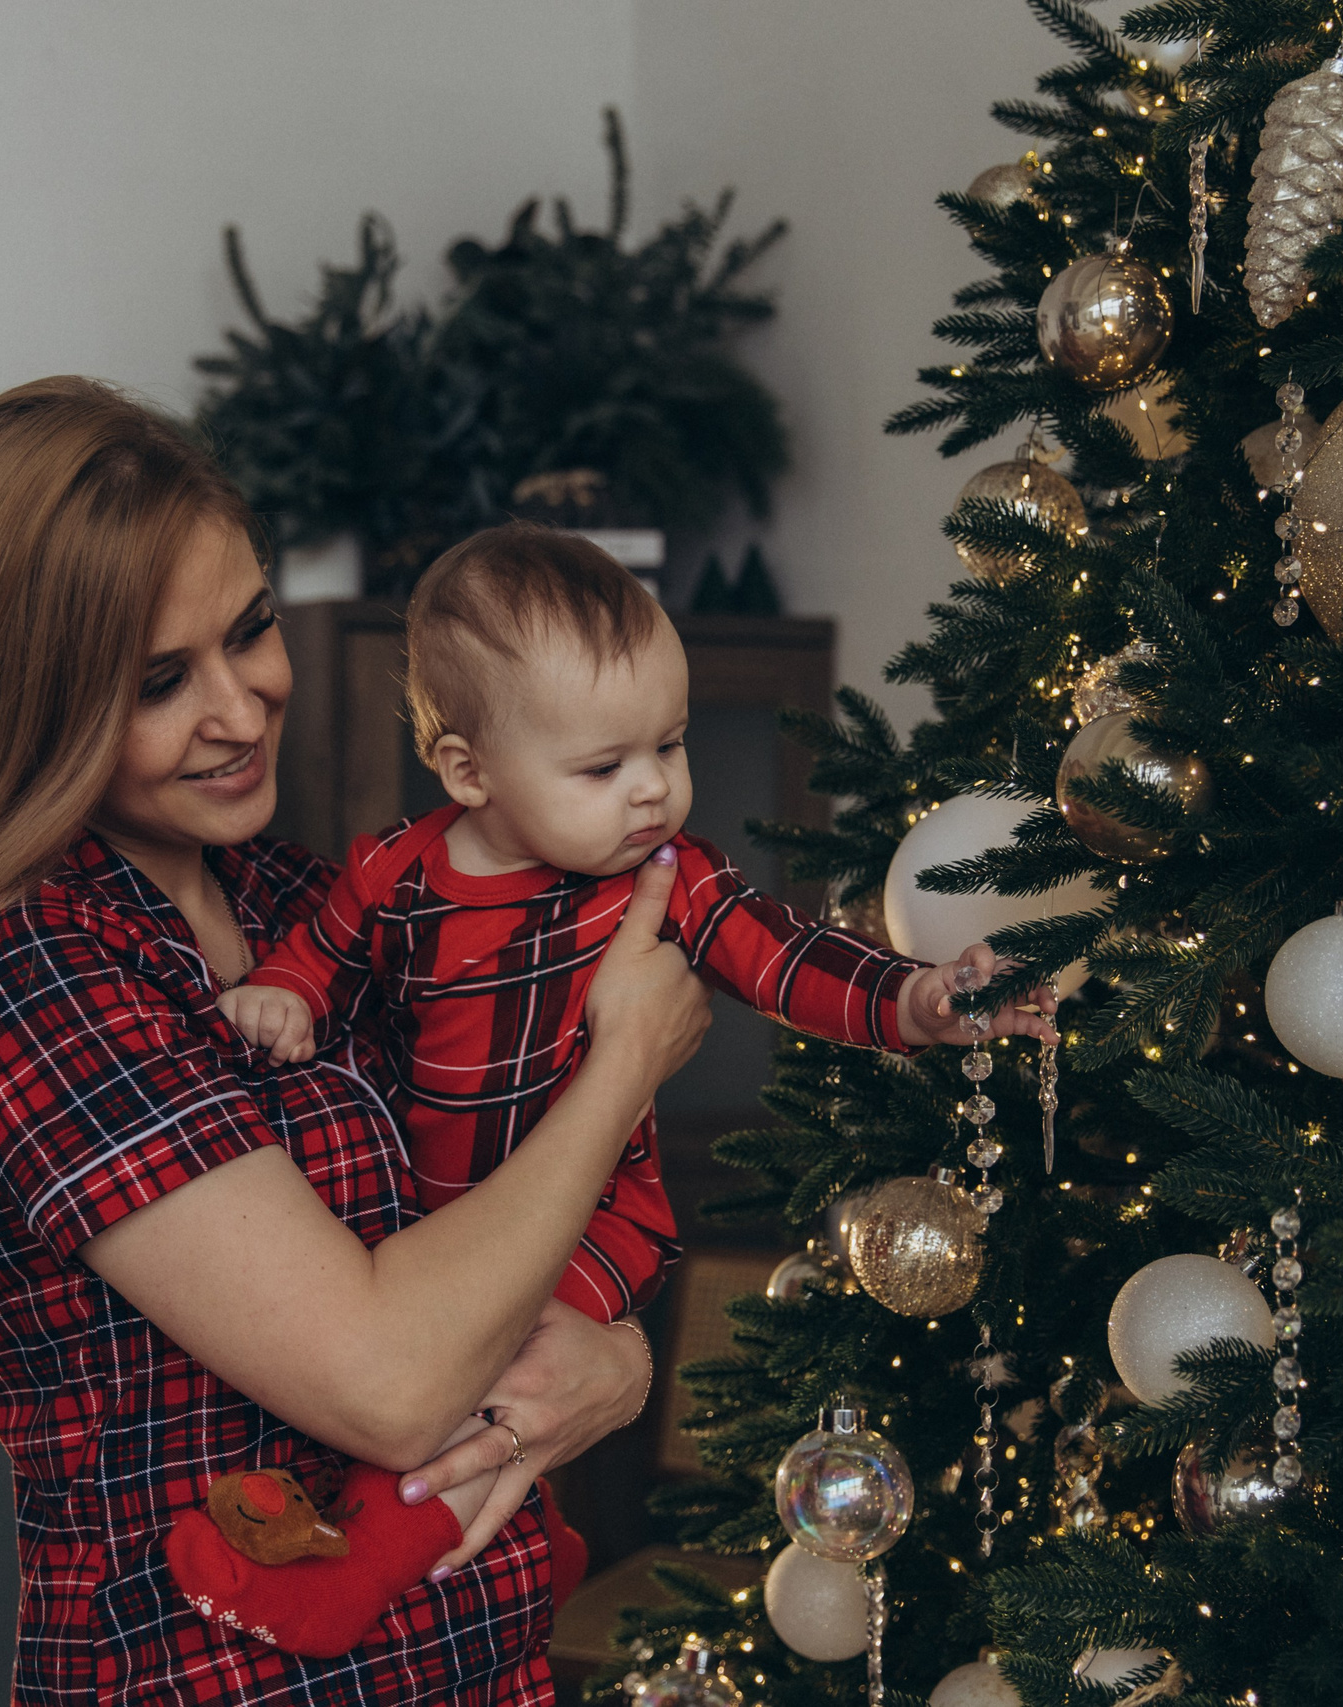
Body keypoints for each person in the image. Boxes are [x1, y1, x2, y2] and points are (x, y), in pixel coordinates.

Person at [0, 377, 709, 1704]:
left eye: (251, 629)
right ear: (27, 709)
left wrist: (617, 1362)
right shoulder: (26, 974)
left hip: (471, 1665)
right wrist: (624, 1061)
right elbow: (390, 1381)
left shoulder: (291, 902)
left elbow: (497, 1215)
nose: (243, 705)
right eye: (161, 682)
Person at [203, 523, 1060, 1642]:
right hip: (430, 1220)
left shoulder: (667, 876)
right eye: (603, 767)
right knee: (409, 1357)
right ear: (468, 771)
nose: (654, 788)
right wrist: (285, 989)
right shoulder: (393, 872)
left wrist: (910, 1001)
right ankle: (497, 1532)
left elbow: (782, 955)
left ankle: (352, 1569)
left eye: (670, 743)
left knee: (500, 1375)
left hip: (599, 1220)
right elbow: (322, 953)